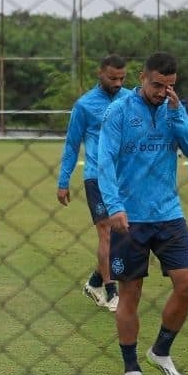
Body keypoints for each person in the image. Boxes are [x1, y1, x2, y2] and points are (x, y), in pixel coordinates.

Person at [95, 51, 188, 375]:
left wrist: (176, 116)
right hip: (130, 217)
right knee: (131, 293)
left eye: (169, 86)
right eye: (157, 84)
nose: (162, 91)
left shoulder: (175, 108)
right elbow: (104, 161)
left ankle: (161, 350)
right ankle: (131, 367)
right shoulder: (119, 111)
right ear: (142, 78)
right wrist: (113, 206)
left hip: (168, 213)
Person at [57, 55, 132, 312]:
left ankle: (94, 282)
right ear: (100, 73)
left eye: (122, 78)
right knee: (107, 232)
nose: (118, 83)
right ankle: (112, 293)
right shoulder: (84, 105)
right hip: (96, 176)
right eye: (113, 78)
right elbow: (71, 144)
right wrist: (63, 181)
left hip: (125, 178)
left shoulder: (129, 99)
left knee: (127, 234)